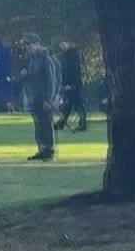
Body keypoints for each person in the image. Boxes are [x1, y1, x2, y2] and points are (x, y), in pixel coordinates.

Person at [19, 33, 62, 162]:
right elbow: (34, 77)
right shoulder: (32, 58)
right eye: (26, 44)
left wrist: (49, 99)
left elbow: (52, 80)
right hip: (36, 96)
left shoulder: (46, 58)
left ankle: (49, 150)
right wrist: (25, 74)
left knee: (46, 124)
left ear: (37, 44)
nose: (27, 47)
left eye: (29, 44)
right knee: (39, 124)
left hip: (44, 97)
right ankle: (42, 149)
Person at [55, 42, 89, 132]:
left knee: (77, 106)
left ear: (67, 44)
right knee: (69, 106)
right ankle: (62, 124)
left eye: (63, 45)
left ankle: (82, 124)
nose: (61, 47)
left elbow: (74, 72)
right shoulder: (67, 56)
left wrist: (71, 85)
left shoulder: (72, 57)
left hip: (74, 86)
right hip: (71, 85)